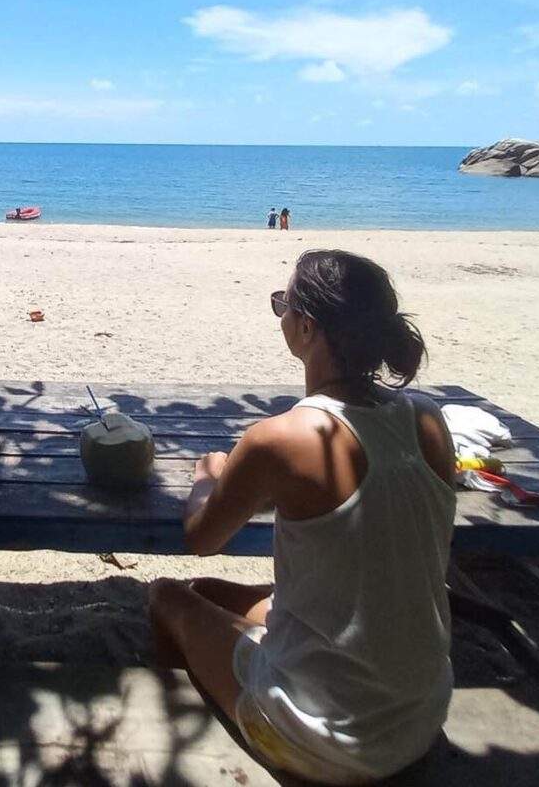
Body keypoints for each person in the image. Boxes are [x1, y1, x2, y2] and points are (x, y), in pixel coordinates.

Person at [149, 250, 456, 785]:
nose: (283, 315)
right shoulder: (427, 419)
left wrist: (207, 474)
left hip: (326, 740)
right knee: (210, 592)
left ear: (306, 327)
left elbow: (202, 536)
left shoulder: (282, 437)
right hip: (421, 718)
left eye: (283, 305)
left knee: (168, 596)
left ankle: (187, 736)